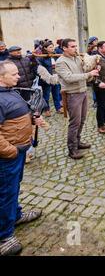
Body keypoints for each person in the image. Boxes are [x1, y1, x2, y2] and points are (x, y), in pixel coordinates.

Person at [0, 61, 45, 256]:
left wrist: (32, 118)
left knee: (13, 188)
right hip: (8, 156)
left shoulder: (10, 91)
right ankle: (4, 237)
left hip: (18, 152)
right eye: (14, 74)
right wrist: (10, 151)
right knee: (5, 193)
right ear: (1, 77)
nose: (19, 76)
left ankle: (15, 216)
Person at [55, 39, 99, 160]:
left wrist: (92, 69)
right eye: (72, 46)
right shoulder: (60, 62)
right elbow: (68, 78)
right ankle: (72, 149)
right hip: (72, 94)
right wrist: (89, 75)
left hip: (83, 92)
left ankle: (78, 142)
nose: (75, 48)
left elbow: (84, 71)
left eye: (76, 46)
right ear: (64, 48)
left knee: (82, 120)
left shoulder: (77, 58)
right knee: (74, 123)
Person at [37, 41, 63, 117]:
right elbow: (41, 69)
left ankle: (58, 108)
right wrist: (47, 78)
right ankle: (46, 110)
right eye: (50, 47)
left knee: (57, 94)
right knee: (46, 95)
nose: (52, 48)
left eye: (53, 47)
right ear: (45, 48)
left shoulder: (55, 55)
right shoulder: (41, 57)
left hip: (55, 78)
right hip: (47, 79)